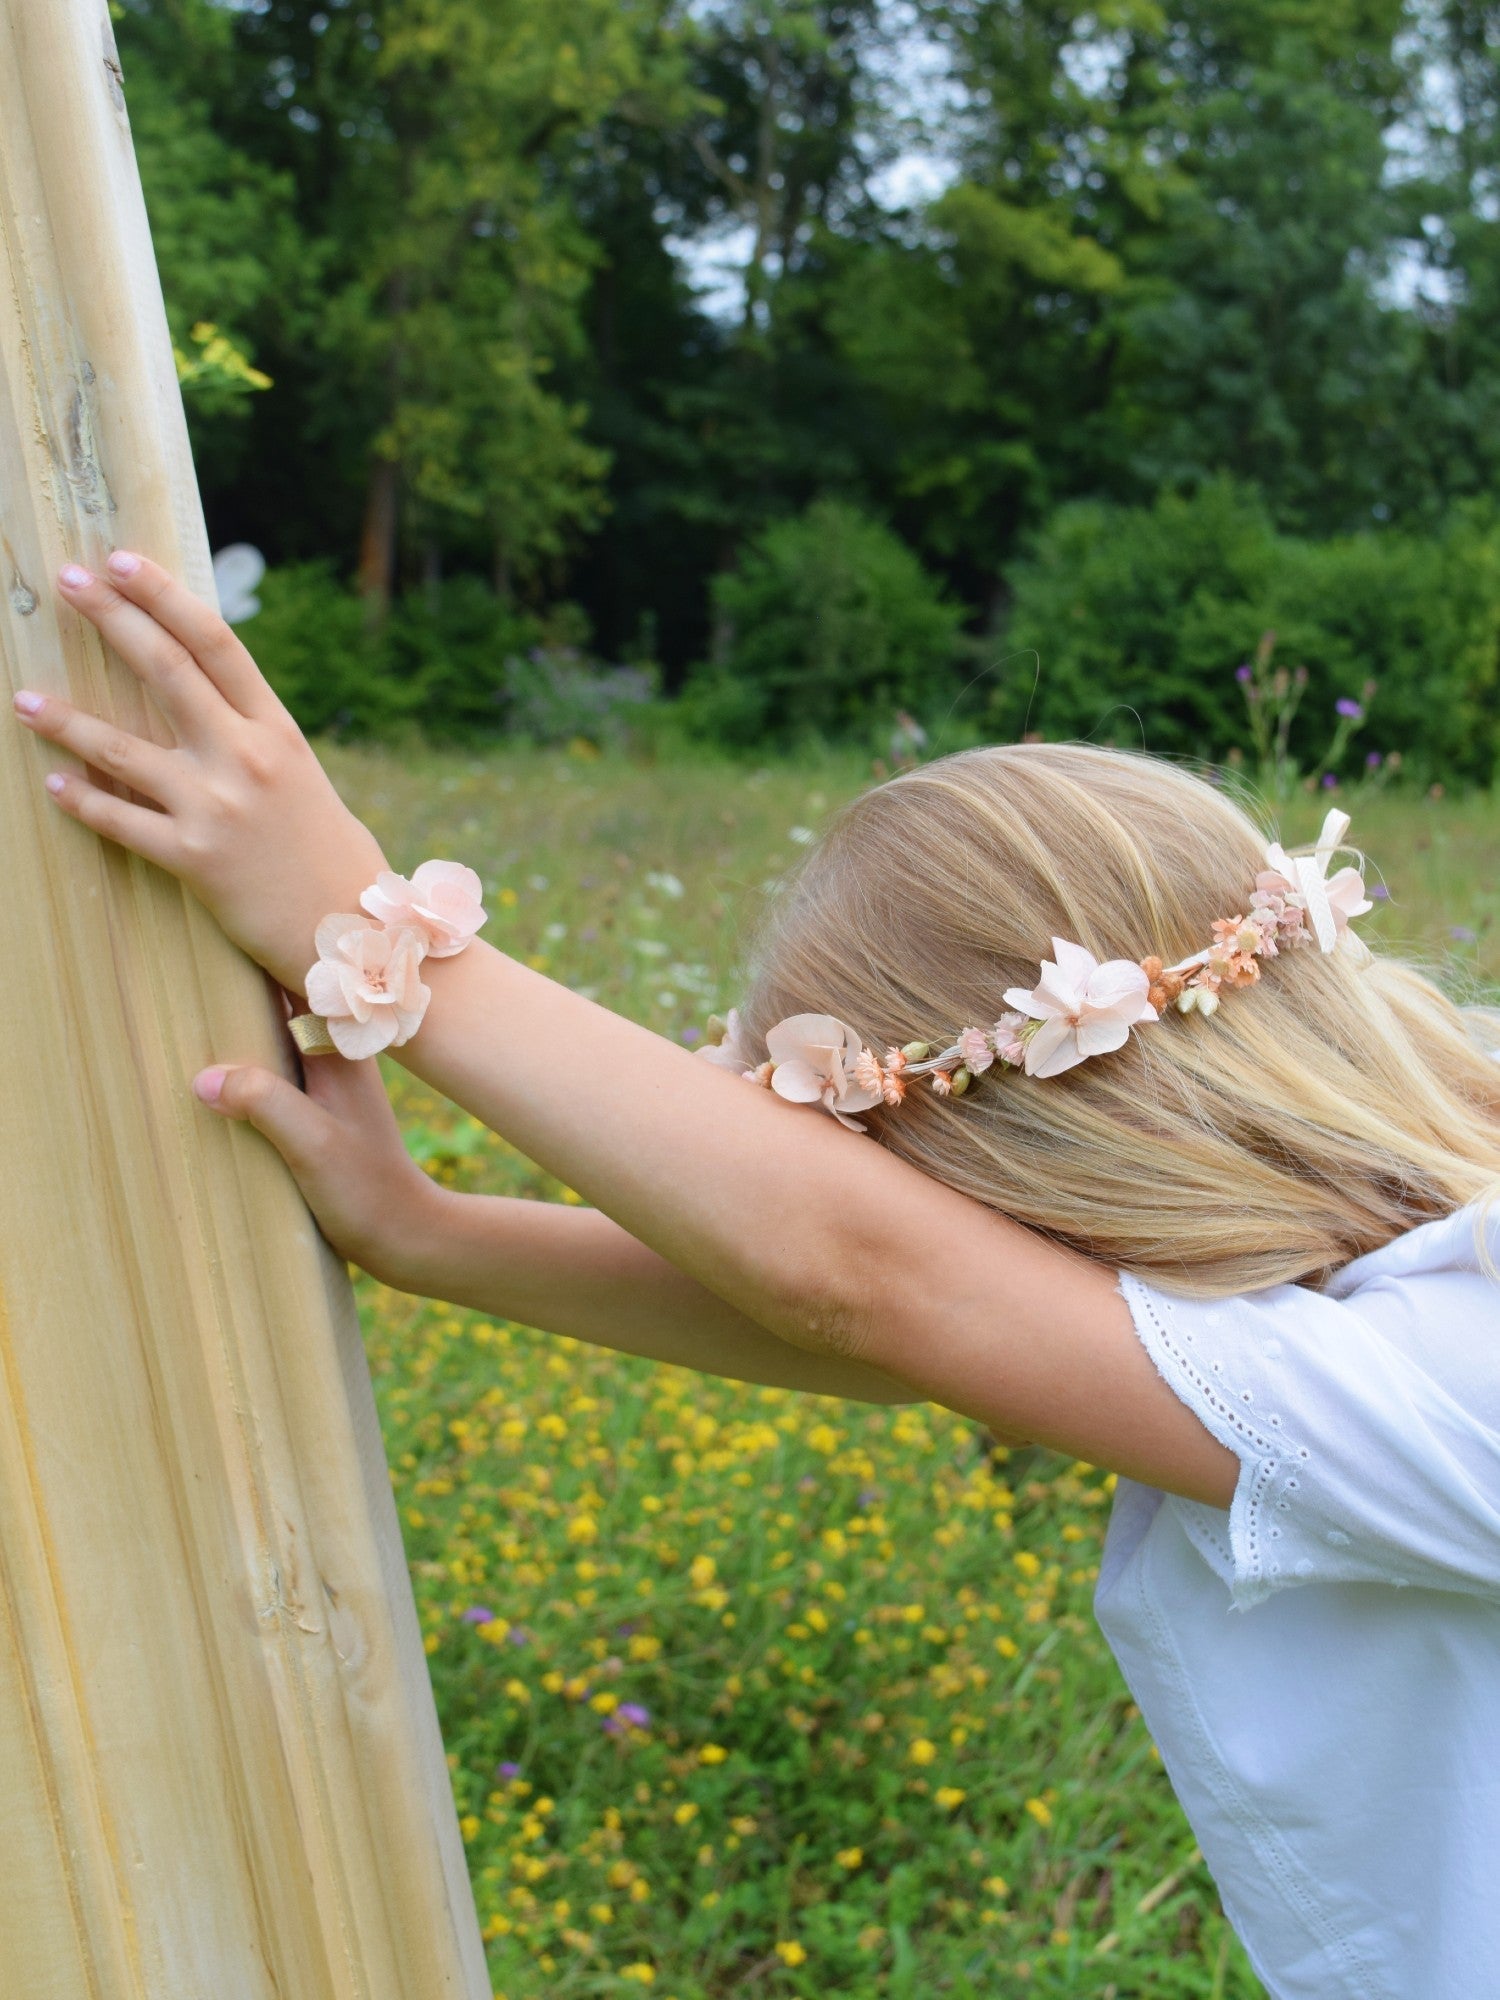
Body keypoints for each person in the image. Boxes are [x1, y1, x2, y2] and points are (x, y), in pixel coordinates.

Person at [15, 551, 1500, 1999]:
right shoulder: (1383, 1288)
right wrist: (428, 1231)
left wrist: (369, 928)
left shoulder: (1458, 1378)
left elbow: (874, 1283)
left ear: (1040, 1160)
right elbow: (938, 1326)